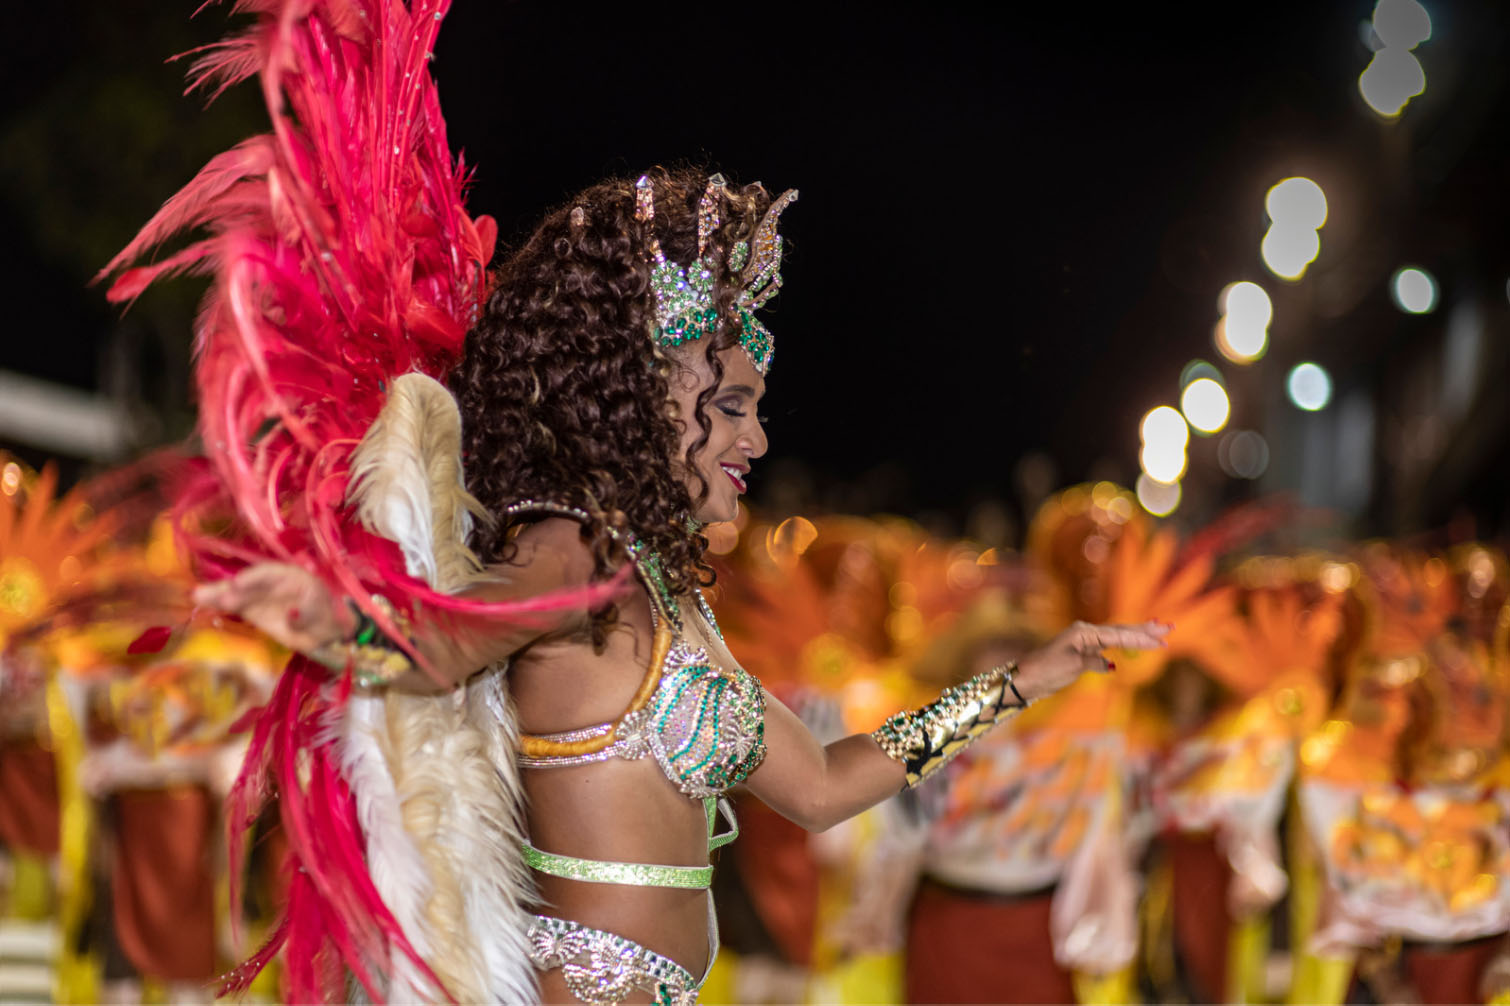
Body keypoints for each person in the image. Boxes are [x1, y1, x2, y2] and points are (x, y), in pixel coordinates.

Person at [104, 4, 1171, 1003]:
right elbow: (437, 646)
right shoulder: (572, 553)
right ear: (651, 394)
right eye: (734, 405)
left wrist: (1020, 680)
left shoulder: (659, 586)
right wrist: (314, 608)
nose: (754, 439)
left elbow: (826, 785)